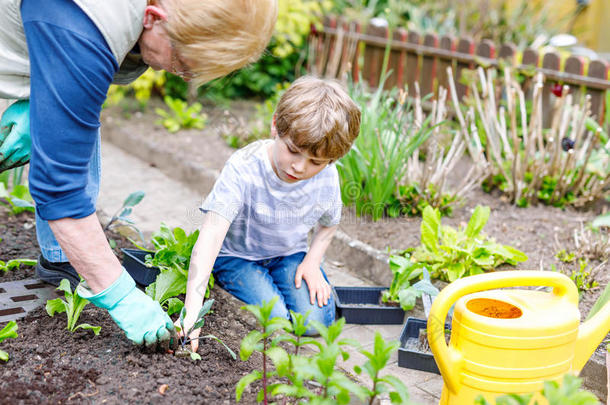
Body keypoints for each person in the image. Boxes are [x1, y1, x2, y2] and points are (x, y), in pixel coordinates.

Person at [0, 0, 277, 348]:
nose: (182, 75)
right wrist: (121, 297)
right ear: (153, 18)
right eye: (184, 64)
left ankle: (61, 258)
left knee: (70, 130)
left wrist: (46, 99)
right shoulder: (85, 18)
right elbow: (60, 191)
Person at [178, 76, 361, 351]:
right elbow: (212, 234)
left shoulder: (327, 176)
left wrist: (311, 263)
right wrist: (191, 311)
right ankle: (242, 285)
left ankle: (279, 282)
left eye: (316, 162)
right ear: (276, 125)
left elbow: (329, 224)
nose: (300, 167)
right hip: (238, 258)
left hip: (288, 254)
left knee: (316, 323)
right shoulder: (244, 168)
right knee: (276, 321)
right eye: (293, 151)